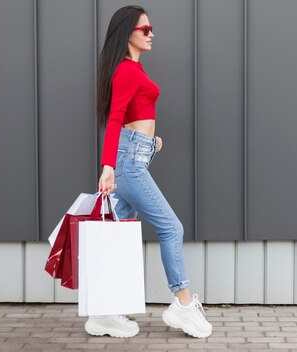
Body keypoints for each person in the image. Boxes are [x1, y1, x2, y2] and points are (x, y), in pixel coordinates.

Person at [84, 5, 212, 339]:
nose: (151, 32)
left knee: (117, 240)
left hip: (135, 155)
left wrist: (147, 140)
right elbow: (114, 118)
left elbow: (131, 118)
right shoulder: (126, 70)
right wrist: (109, 166)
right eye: (145, 28)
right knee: (172, 228)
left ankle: (102, 314)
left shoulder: (132, 69)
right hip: (128, 164)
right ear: (127, 33)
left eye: (151, 27)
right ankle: (183, 304)